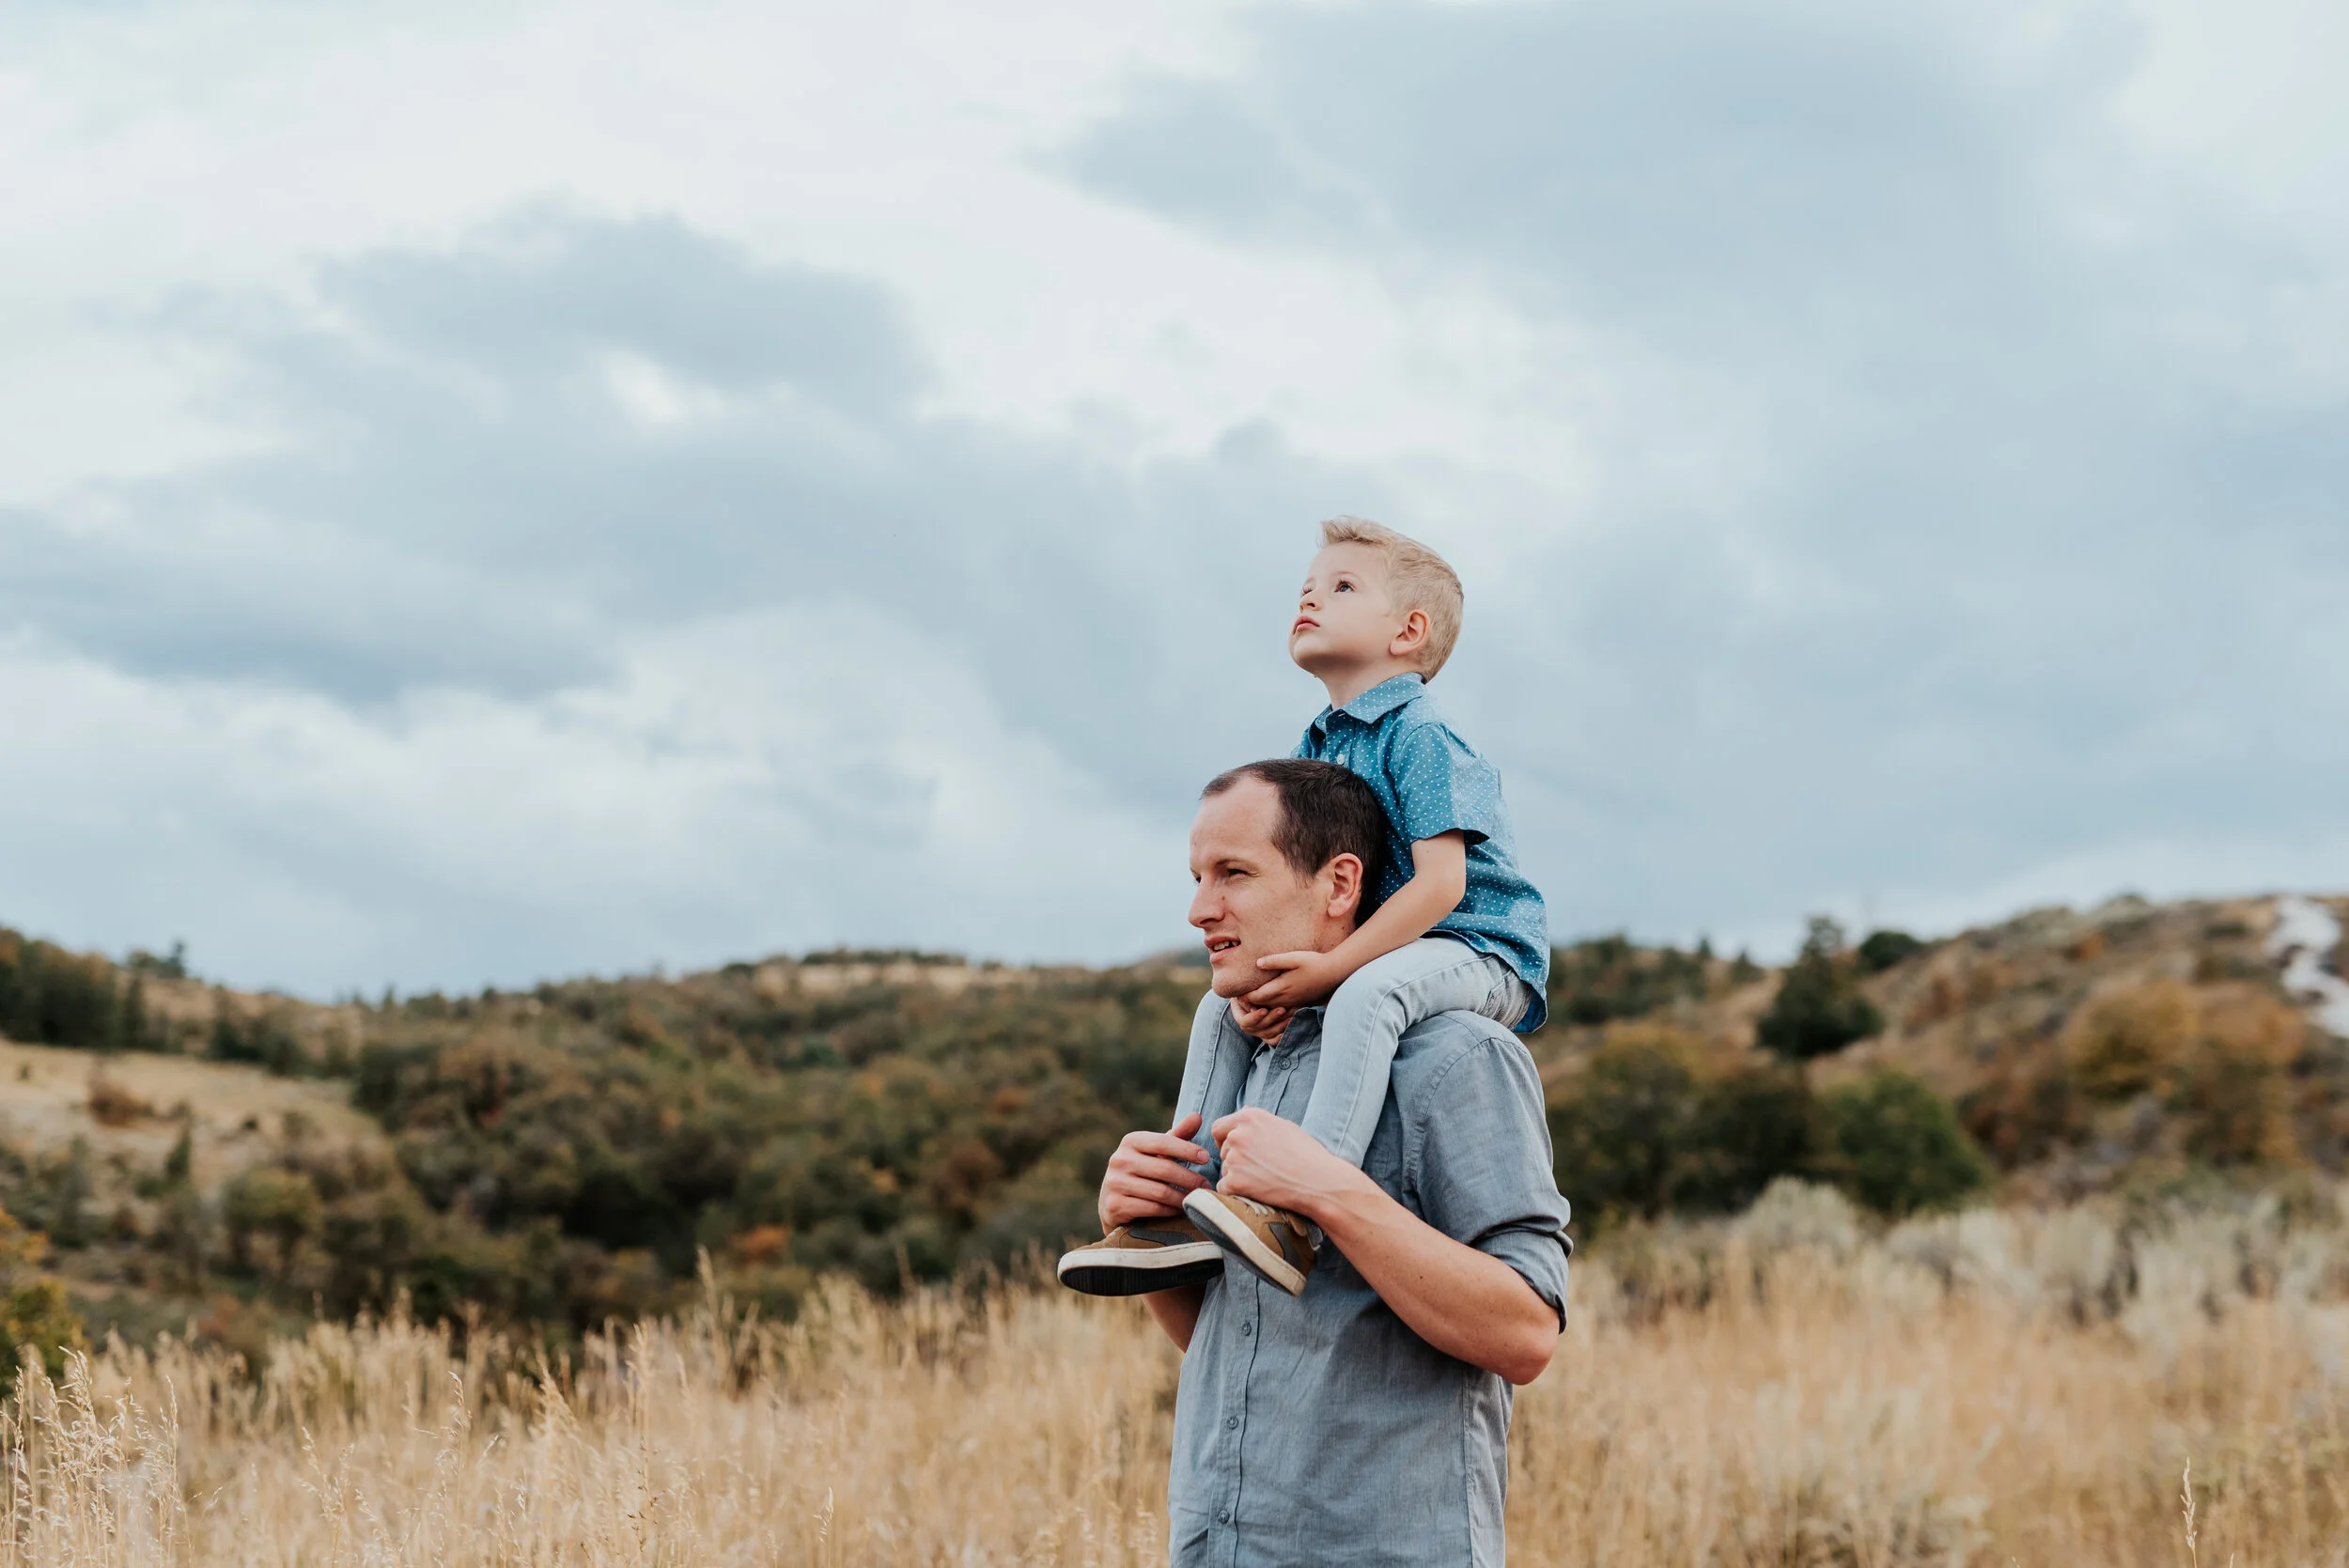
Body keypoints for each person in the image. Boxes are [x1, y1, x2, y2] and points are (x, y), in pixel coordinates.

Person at [1088, 760, 1572, 1566]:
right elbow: (1237, 1340)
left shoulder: (1458, 1056)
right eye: (1198, 878)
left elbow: (1526, 1334)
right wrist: (1144, 1219)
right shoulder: (1249, 1058)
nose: (1200, 909)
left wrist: (1330, 1192)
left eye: (1234, 873)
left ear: (1340, 883)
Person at [1060, 517, 1548, 1296]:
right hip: (1391, 950)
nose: (1311, 599)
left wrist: (1330, 970)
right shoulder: (1319, 744)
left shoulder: (1423, 735)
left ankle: (1294, 1215)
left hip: (1480, 947)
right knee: (1219, 1008)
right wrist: (1273, 988)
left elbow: (1442, 886)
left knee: (1368, 995)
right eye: (1307, 587)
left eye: (1342, 586)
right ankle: (1181, 1206)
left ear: (1408, 631)